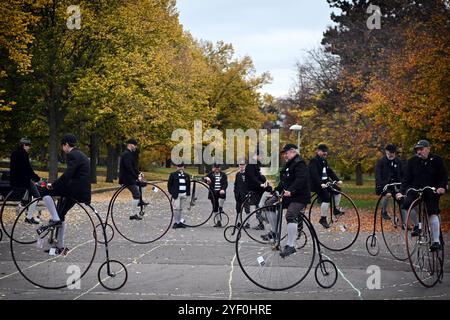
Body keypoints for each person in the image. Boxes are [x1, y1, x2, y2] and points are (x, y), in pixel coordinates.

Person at [37, 134, 91, 255]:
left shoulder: (71, 155)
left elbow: (68, 174)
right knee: (62, 214)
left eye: (62, 145)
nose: (62, 148)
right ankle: (59, 247)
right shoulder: (81, 154)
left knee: (44, 192)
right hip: (81, 191)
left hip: (74, 189)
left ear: (66, 144)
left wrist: (54, 185)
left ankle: (54, 218)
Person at [396, 140, 448, 251]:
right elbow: (406, 179)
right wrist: (401, 191)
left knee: (432, 212)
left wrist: (442, 187)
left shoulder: (437, 160)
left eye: (421, 149)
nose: (419, 152)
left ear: (428, 148)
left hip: (431, 190)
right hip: (416, 189)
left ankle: (436, 242)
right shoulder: (412, 161)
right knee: (406, 204)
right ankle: (417, 226)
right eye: (417, 150)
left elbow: (443, 176)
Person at [273, 144, 311, 258]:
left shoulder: (299, 164)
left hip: (299, 197)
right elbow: (284, 181)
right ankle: (273, 232)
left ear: (292, 152)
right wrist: (275, 191)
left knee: (290, 214)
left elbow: (301, 180)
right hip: (289, 196)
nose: (285, 155)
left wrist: (291, 190)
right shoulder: (289, 164)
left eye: (286, 153)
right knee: (269, 204)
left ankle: (291, 245)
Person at [309, 144, 344, 229]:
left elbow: (329, 171)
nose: (325, 153)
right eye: (323, 151)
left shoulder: (324, 161)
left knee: (337, 190)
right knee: (326, 198)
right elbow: (314, 174)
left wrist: (337, 180)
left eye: (326, 152)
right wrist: (320, 183)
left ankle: (336, 210)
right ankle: (323, 219)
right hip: (316, 184)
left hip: (325, 182)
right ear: (318, 151)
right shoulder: (314, 161)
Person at [9, 137, 41, 224]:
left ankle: (23, 203)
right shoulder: (23, 154)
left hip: (14, 180)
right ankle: (29, 217)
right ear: (24, 145)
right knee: (37, 196)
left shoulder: (14, 153)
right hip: (22, 180)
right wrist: (37, 178)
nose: (29, 147)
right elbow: (28, 169)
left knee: (30, 191)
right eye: (28, 145)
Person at [119, 139, 146, 221]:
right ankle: (133, 214)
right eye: (135, 145)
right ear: (130, 145)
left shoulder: (130, 154)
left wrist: (139, 173)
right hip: (127, 179)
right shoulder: (126, 154)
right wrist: (136, 176)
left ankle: (139, 201)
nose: (136, 147)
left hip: (131, 178)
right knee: (136, 194)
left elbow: (133, 167)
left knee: (143, 184)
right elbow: (128, 168)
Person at [375, 144, 404, 220]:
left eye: (392, 153)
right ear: (386, 152)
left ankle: (405, 222)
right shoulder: (381, 162)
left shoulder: (398, 161)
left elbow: (402, 174)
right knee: (387, 194)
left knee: (402, 200)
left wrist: (401, 187)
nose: (391, 155)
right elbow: (378, 176)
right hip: (384, 185)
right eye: (389, 153)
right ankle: (384, 212)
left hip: (396, 186)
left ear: (395, 153)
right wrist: (381, 186)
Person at [245, 149, 269, 230]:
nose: (261, 157)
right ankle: (261, 223)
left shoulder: (255, 164)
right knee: (257, 205)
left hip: (258, 188)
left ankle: (261, 222)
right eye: (261, 156)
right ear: (256, 155)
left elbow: (259, 176)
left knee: (258, 205)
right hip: (253, 188)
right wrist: (260, 183)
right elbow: (252, 178)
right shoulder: (251, 165)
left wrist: (264, 181)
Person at [168, 162, 191, 229]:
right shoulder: (173, 175)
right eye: (179, 167)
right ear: (177, 167)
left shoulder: (186, 175)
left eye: (182, 167)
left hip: (184, 194)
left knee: (180, 209)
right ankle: (176, 222)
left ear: (183, 167)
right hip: (177, 194)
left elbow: (188, 185)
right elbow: (169, 185)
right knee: (176, 208)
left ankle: (179, 222)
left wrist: (188, 193)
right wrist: (172, 192)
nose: (180, 168)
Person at [234, 161, 250, 227]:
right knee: (238, 209)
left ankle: (247, 223)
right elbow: (236, 184)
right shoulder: (237, 174)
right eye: (240, 165)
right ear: (239, 166)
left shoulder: (248, 174)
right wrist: (235, 192)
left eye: (243, 165)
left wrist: (249, 193)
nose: (242, 166)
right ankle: (238, 222)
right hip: (238, 195)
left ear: (245, 166)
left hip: (246, 194)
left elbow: (250, 185)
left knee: (247, 209)